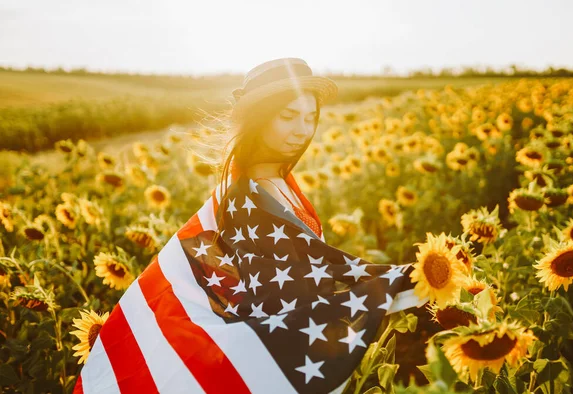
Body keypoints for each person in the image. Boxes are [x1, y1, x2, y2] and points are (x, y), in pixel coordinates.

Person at [73, 57, 428, 394]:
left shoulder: (277, 180)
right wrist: (409, 279)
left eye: (310, 117)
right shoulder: (248, 197)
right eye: (288, 116)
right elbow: (289, 291)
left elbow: (306, 266)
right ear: (260, 118)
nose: (302, 130)